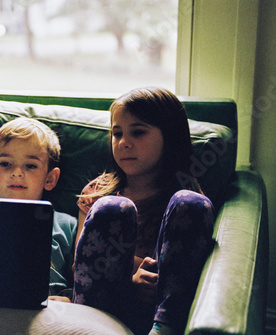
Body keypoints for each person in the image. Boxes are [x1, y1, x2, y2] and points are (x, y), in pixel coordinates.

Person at [73, 87, 215, 335]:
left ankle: (165, 328)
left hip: (156, 308)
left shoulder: (183, 195)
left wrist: (149, 278)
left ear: (170, 137)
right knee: (111, 208)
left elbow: (182, 262)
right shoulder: (97, 192)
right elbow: (81, 265)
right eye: (117, 134)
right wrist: (130, 279)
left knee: (190, 203)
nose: (124, 143)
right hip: (101, 307)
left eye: (138, 132)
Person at [0, 117, 77, 300]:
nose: (17, 172)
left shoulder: (68, 226)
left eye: (30, 166)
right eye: (5, 163)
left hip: (51, 310)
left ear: (50, 179)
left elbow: (85, 282)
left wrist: (68, 298)